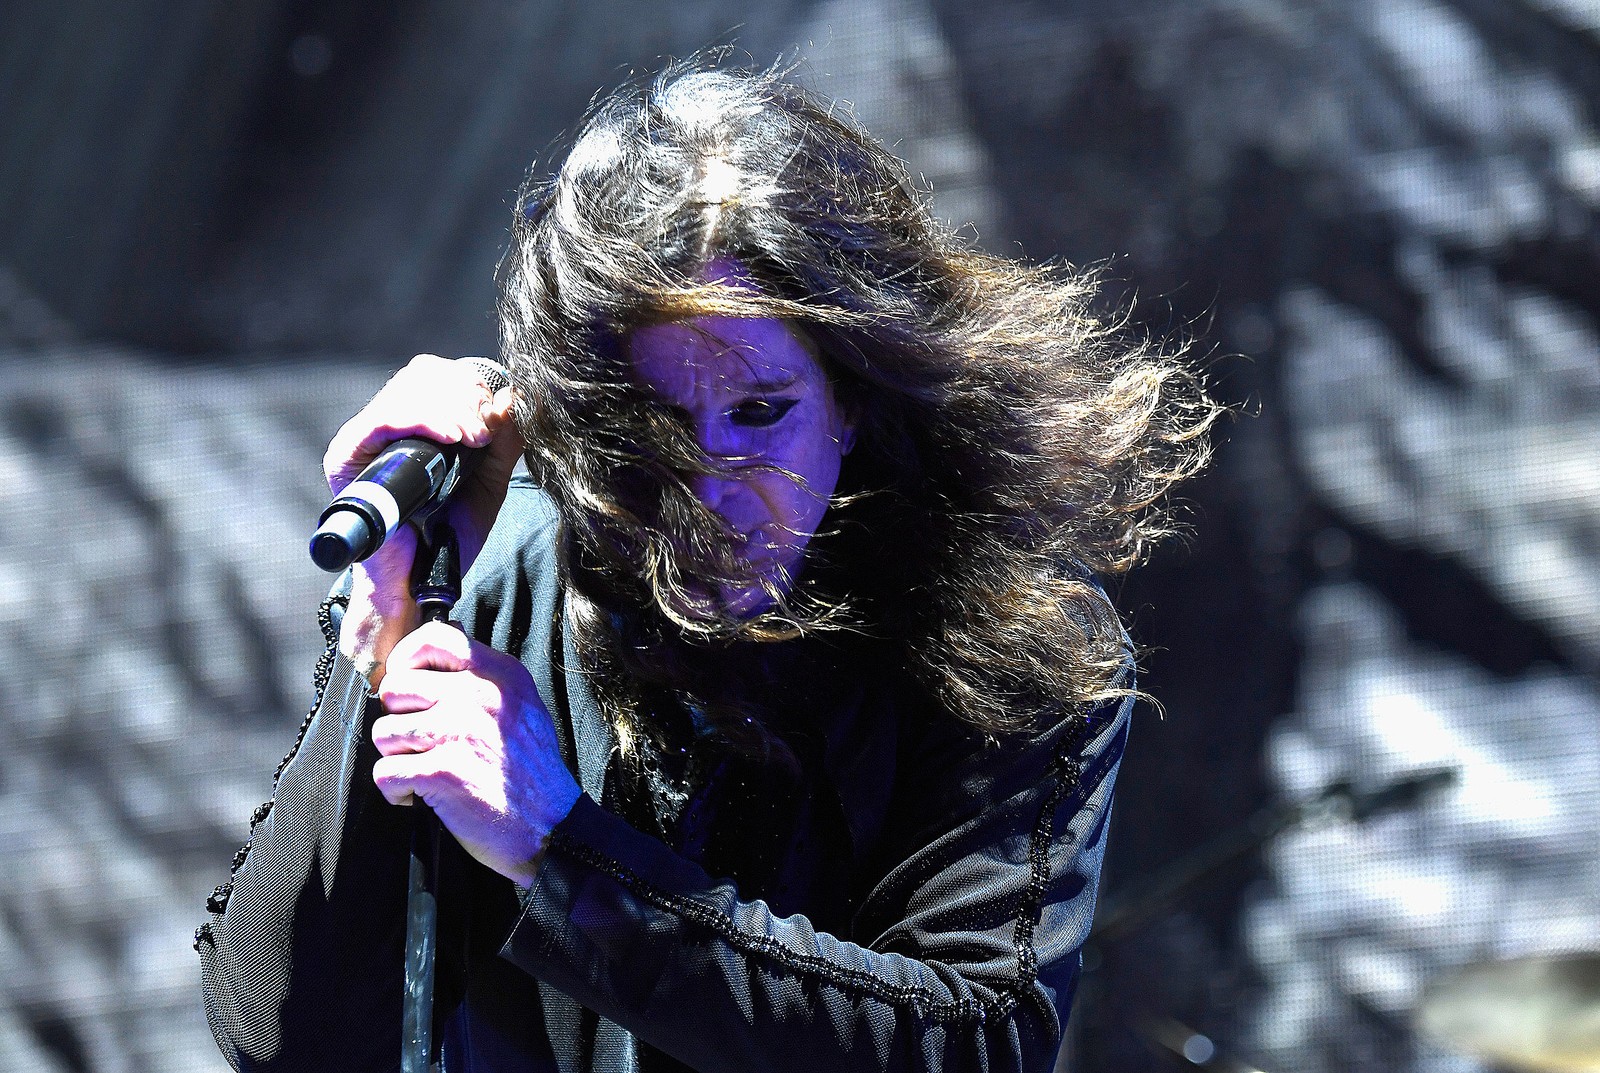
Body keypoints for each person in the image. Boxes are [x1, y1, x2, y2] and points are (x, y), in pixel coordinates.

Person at [196, 58, 1214, 1073]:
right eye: (654, 428)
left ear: (854, 395)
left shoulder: (1012, 648)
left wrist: (563, 852)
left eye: (760, 413)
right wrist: (386, 638)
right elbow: (281, 1035)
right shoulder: (503, 574)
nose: (711, 488)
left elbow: (968, 1044)